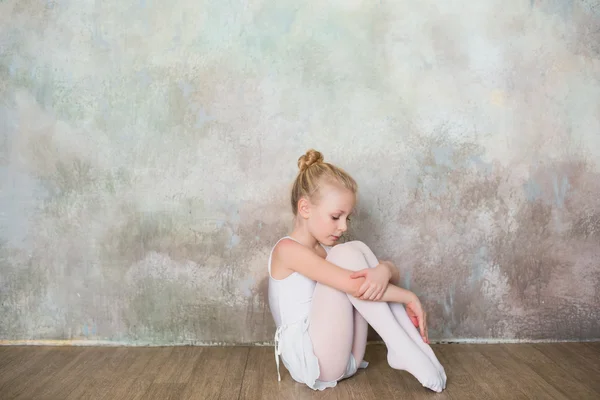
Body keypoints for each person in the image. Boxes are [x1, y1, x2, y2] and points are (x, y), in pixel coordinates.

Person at [267, 149, 447, 392]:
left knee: (353, 248)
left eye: (347, 219)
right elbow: (355, 286)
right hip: (314, 364)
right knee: (348, 251)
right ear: (305, 208)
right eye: (335, 216)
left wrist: (384, 269)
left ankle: (411, 346)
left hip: (347, 355)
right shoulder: (287, 250)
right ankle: (401, 346)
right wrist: (409, 296)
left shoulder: (328, 252)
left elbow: (390, 274)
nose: (343, 226)